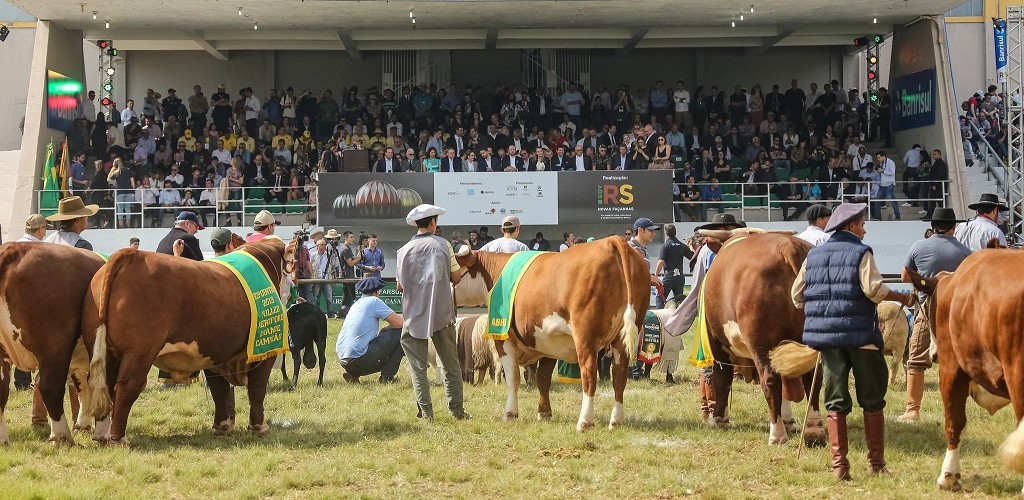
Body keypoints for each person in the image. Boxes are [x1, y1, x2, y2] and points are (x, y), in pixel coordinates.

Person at [791, 202, 916, 481]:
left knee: (835, 402)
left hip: (828, 340)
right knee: (872, 400)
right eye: (861, 224)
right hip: (861, 337)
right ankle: (876, 464)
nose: (865, 229)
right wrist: (902, 297)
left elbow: (796, 296)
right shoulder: (861, 252)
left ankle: (840, 468)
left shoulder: (814, 255)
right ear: (850, 227)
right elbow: (873, 290)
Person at [664, 213, 744, 420]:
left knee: (723, 358)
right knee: (710, 358)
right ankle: (709, 408)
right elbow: (700, 284)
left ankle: (713, 407)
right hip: (712, 310)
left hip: (731, 310)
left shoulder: (734, 250)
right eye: (724, 230)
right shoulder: (709, 250)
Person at [396, 204, 469, 421]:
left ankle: (426, 414)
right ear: (433, 223)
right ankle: (457, 411)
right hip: (441, 313)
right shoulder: (444, 245)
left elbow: (400, 286)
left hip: (412, 315)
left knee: (417, 368)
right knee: (450, 365)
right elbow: (455, 278)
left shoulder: (403, 251)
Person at [897, 208, 970, 423]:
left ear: (933, 226)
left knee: (916, 360)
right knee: (959, 363)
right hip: (957, 314)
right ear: (953, 227)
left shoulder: (918, 246)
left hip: (927, 309)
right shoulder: (965, 252)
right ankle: (956, 409)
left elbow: (904, 277)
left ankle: (912, 410)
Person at [154, 211, 205, 387]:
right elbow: (201, 268)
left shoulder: (162, 241)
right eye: (196, 227)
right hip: (185, 299)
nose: (196, 232)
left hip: (162, 301)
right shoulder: (188, 240)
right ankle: (186, 376)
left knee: (167, 340)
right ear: (188, 224)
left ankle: (167, 376)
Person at [335, 277, 405, 384]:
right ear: (376, 291)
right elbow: (400, 323)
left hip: (344, 361)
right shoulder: (374, 301)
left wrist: (384, 330)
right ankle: (387, 378)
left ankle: (353, 374)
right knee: (401, 335)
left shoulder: (357, 303)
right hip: (359, 359)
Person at [626, 217, 664, 380]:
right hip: (630, 300)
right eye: (650, 230)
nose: (653, 234)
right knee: (630, 333)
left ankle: (636, 367)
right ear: (640, 230)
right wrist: (650, 278)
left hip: (642, 299)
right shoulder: (629, 249)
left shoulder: (644, 250)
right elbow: (629, 275)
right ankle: (629, 369)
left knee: (639, 333)